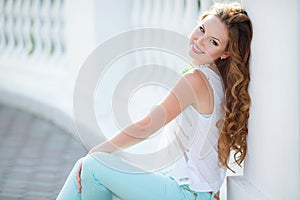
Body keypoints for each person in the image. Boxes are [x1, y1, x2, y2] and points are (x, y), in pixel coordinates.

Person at [57, 2, 253, 200]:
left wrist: (95, 151)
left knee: (93, 166)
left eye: (213, 41)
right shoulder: (218, 81)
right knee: (89, 169)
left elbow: (147, 126)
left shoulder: (196, 80)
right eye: (202, 29)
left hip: (187, 195)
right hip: (194, 193)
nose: (200, 41)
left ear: (225, 53)